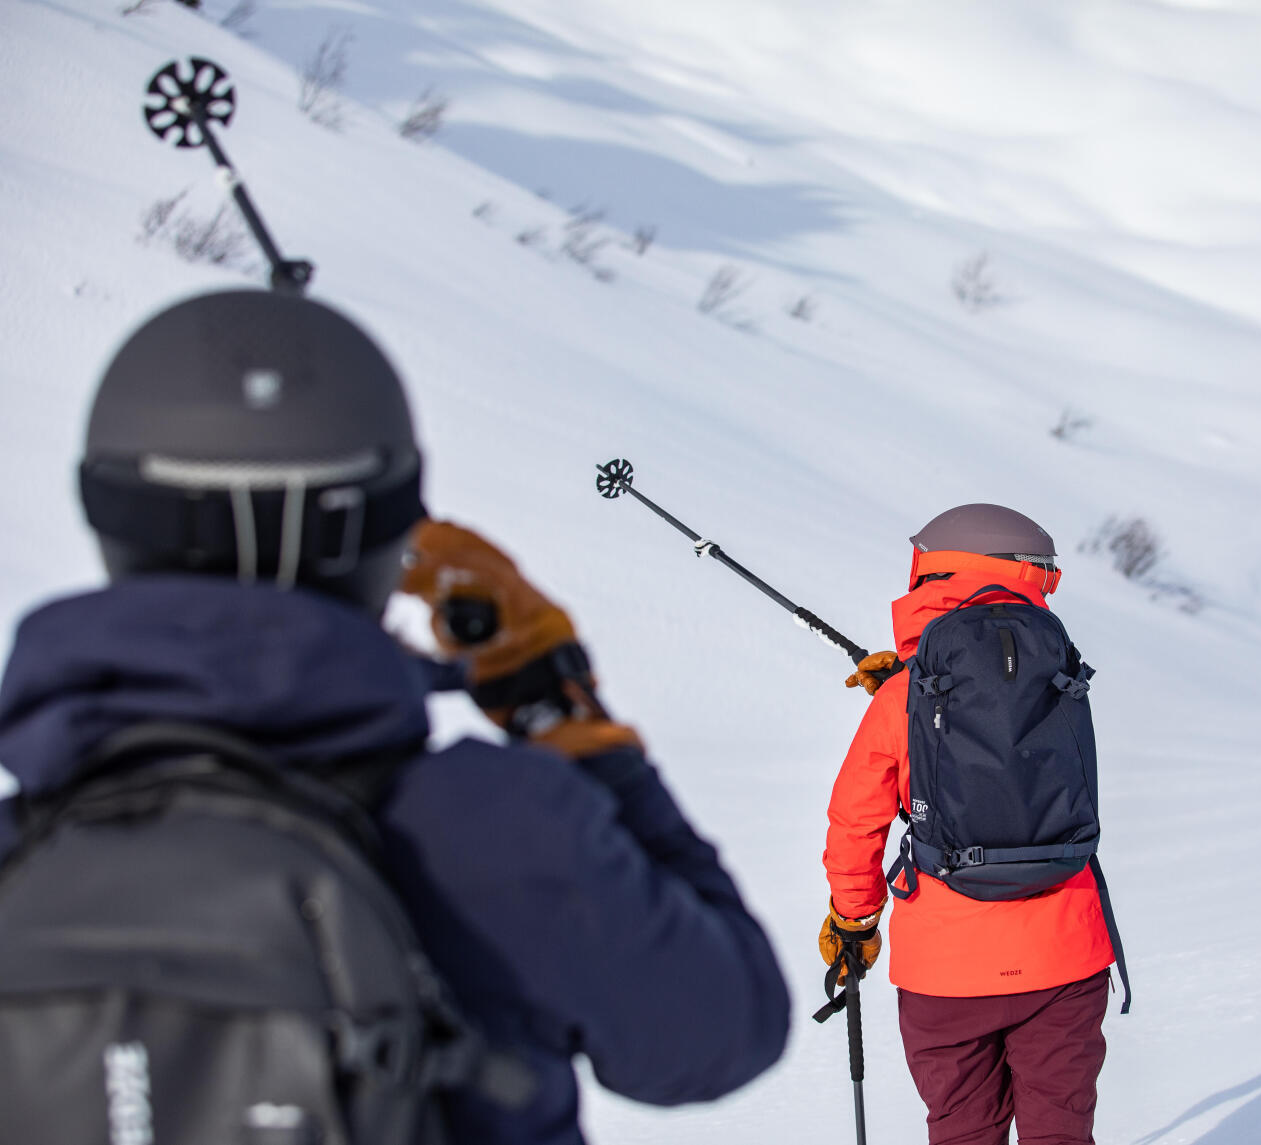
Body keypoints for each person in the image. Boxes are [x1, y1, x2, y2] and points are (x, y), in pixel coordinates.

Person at [0, 289, 790, 1142]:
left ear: (105, 511)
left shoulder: (24, 852)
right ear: (390, 534)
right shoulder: (489, 826)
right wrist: (567, 720)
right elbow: (725, 1030)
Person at [821, 504, 1118, 1145]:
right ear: (1032, 577)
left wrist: (854, 919)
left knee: (962, 1133)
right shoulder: (1060, 671)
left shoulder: (906, 694)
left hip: (944, 968)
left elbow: (857, 818)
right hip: (1065, 949)